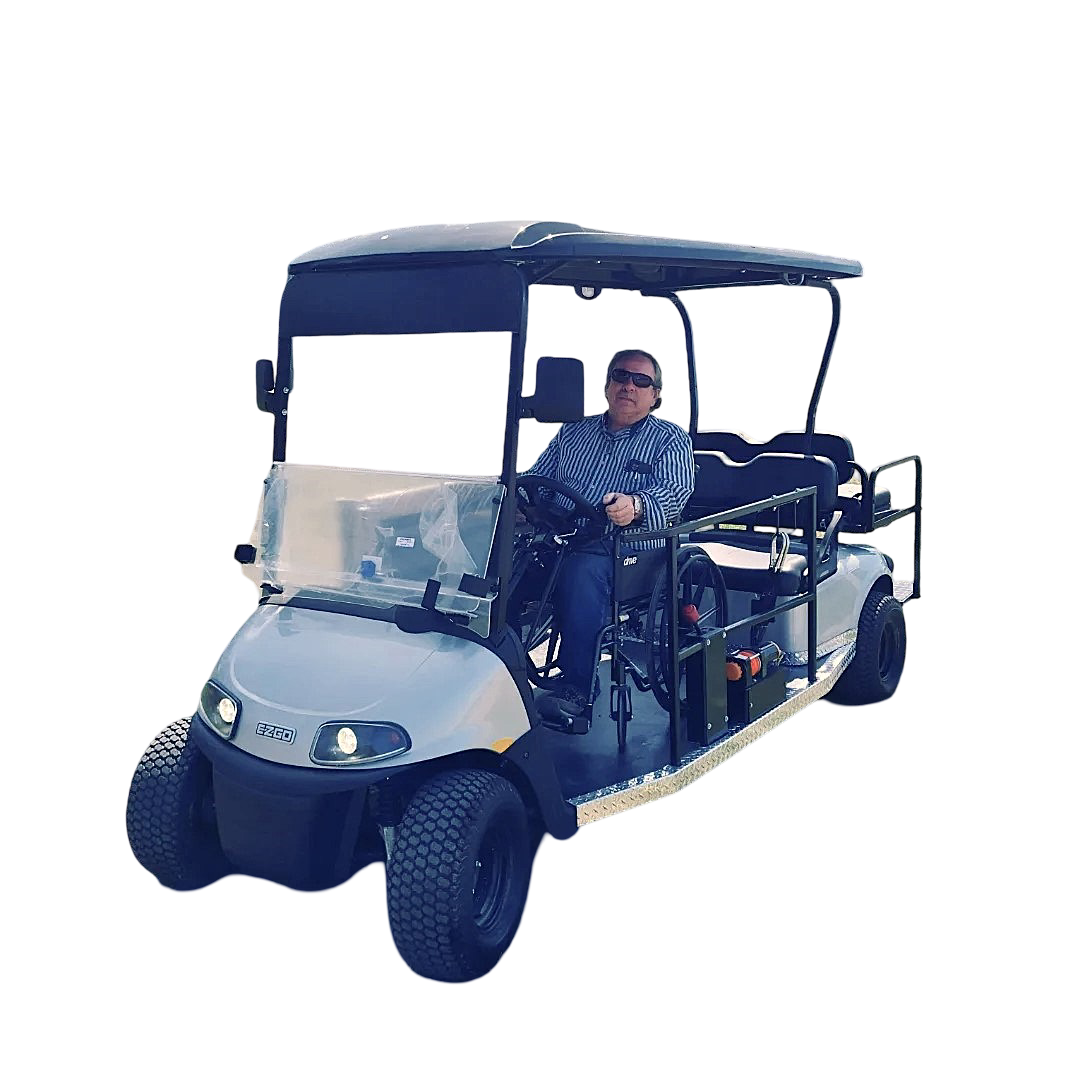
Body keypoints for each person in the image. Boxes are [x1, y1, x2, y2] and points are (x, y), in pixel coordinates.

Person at [524, 349, 695, 715]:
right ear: (606, 385)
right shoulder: (572, 431)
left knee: (580, 572)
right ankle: (497, 671)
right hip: (564, 537)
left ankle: (578, 689)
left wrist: (635, 505)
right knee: (508, 566)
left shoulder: (671, 439)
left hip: (630, 548)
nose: (628, 386)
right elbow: (536, 479)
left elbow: (674, 492)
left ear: (655, 395)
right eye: (621, 376)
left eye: (641, 381)